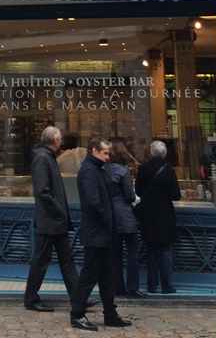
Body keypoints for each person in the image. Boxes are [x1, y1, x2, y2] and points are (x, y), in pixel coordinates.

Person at [70, 137, 132, 332]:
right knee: (90, 274)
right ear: (94, 151)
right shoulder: (90, 171)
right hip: (96, 231)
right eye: (104, 153)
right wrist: (106, 218)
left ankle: (110, 313)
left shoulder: (97, 169)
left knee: (107, 275)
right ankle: (77, 314)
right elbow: (93, 202)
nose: (107, 157)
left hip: (102, 231)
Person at [23, 125, 80, 312]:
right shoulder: (43, 158)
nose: (61, 140)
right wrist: (59, 210)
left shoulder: (48, 157)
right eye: (60, 138)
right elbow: (43, 191)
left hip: (55, 219)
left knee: (66, 259)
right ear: (55, 140)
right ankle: (31, 298)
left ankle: (78, 298)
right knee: (41, 260)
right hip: (50, 219)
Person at [135, 140, 181, 294]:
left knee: (151, 251)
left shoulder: (142, 169)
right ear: (165, 154)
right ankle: (166, 286)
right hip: (165, 215)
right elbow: (176, 196)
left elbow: (138, 191)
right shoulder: (169, 172)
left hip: (147, 214)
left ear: (151, 152)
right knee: (165, 250)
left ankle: (151, 285)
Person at [105, 139, 143, 298]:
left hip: (110, 214)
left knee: (116, 252)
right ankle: (132, 287)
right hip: (125, 215)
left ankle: (117, 286)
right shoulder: (123, 172)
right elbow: (129, 195)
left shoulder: (103, 170)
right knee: (132, 250)